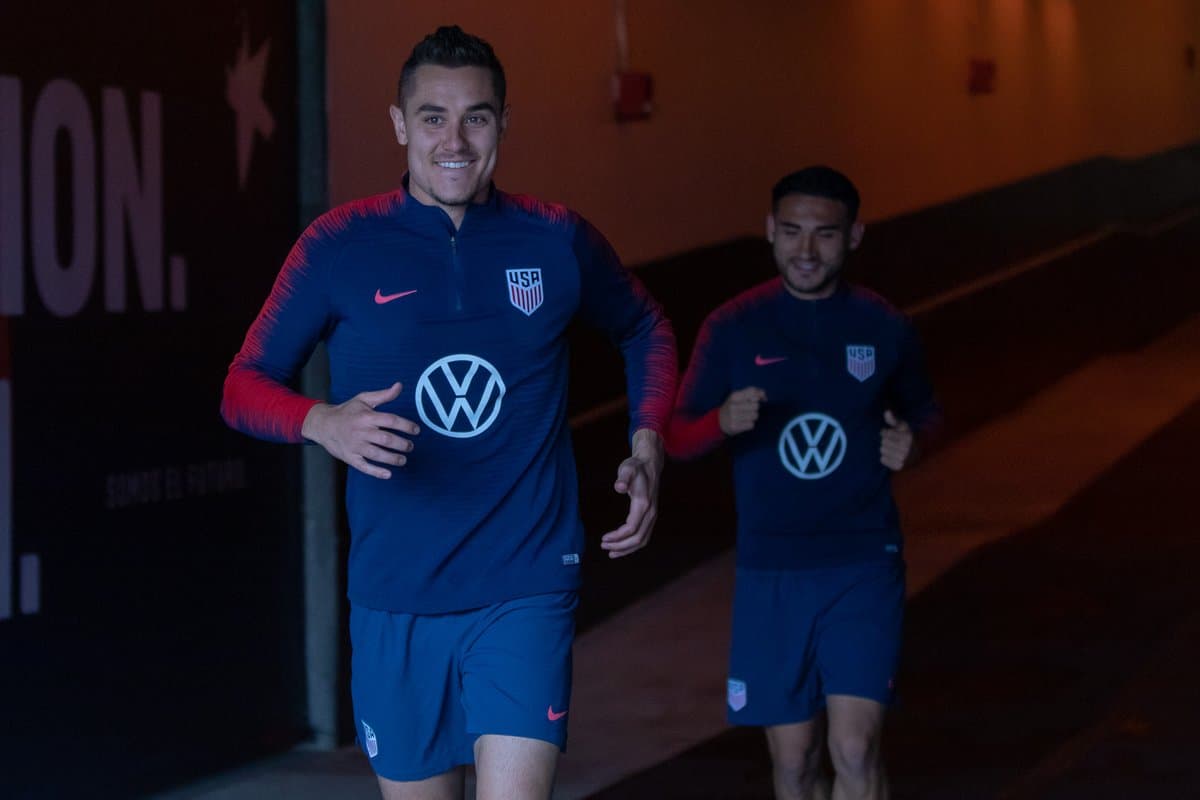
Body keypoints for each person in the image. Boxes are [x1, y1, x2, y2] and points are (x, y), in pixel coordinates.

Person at [220, 25, 676, 800]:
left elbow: (645, 327)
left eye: (478, 116)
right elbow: (243, 384)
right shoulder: (339, 245)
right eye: (433, 117)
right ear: (400, 125)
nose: (455, 139)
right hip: (397, 592)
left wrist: (647, 437)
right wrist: (322, 423)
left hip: (525, 579)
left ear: (505, 123)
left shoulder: (556, 238)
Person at [666, 166, 939, 800]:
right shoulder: (733, 326)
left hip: (863, 562)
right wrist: (720, 421)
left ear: (855, 236)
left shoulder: (884, 327)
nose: (806, 250)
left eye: (824, 234)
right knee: (794, 763)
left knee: (855, 747)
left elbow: (928, 414)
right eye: (791, 232)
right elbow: (676, 437)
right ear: (769, 231)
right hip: (772, 571)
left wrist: (916, 445)